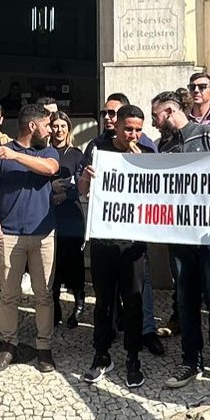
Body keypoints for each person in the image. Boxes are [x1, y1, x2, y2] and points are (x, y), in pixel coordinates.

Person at [149, 92, 210, 389]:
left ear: (170, 111)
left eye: (156, 116)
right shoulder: (164, 147)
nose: (154, 122)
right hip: (181, 240)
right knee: (186, 302)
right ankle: (191, 362)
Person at [78, 105, 153, 388]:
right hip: (103, 239)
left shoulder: (146, 154)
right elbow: (83, 190)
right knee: (104, 303)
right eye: (128, 129)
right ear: (117, 126)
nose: (133, 134)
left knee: (133, 301)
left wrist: (141, 168)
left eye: (138, 129)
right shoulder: (97, 148)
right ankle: (101, 355)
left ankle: (133, 357)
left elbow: (155, 194)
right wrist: (87, 177)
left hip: (133, 242)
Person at [0, 104, 62, 373]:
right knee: (8, 294)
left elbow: (50, 168)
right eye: (46, 125)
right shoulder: (0, 156)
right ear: (33, 126)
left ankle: (44, 347)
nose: (51, 129)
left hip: (43, 234)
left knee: (44, 294)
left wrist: (16, 157)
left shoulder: (47, 150)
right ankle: (8, 345)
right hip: (8, 234)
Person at [47, 111, 88, 329]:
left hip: (71, 216)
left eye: (63, 126)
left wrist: (66, 195)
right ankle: (55, 307)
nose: (59, 130)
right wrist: (50, 194)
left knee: (75, 263)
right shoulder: (44, 153)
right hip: (49, 214)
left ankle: (79, 303)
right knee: (53, 264)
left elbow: (82, 183)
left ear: (68, 129)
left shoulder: (76, 154)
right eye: (55, 125)